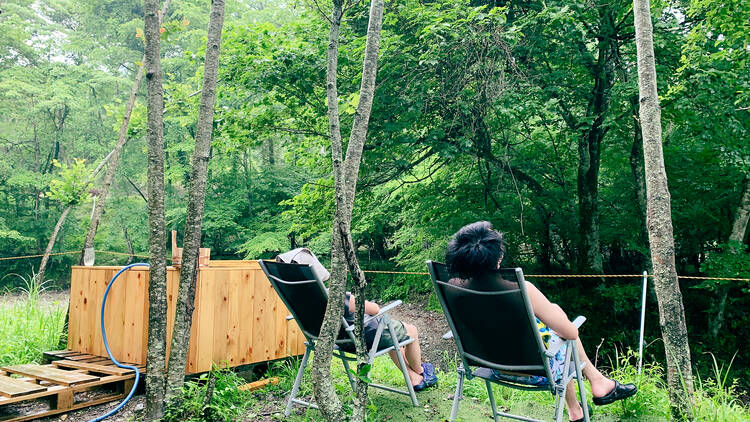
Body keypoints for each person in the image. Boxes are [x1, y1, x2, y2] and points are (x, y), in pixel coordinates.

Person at [444, 222, 636, 422]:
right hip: (535, 371)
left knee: (552, 321)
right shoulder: (521, 290)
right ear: (498, 259)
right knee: (563, 333)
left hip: (490, 365)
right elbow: (571, 333)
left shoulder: (452, 288)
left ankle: (578, 407)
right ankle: (596, 385)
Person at [277, 248, 437, 391]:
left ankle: (414, 378)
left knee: (394, 340)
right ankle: (421, 372)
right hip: (363, 338)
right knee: (411, 331)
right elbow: (374, 309)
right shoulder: (334, 296)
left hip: (337, 342)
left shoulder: (300, 302)